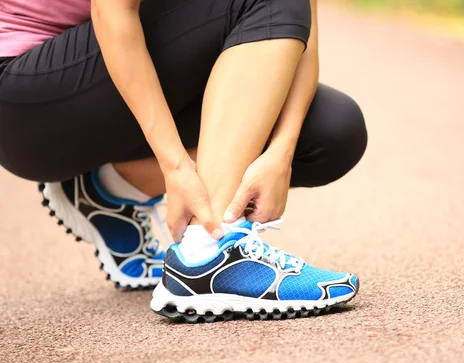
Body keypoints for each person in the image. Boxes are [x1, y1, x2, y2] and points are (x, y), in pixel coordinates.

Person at [0, 0, 367, 322]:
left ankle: (111, 186)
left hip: (115, 85)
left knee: (331, 132)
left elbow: (302, 33)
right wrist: (174, 164)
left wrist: (280, 151)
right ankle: (208, 255)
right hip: (27, 104)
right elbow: (112, 11)